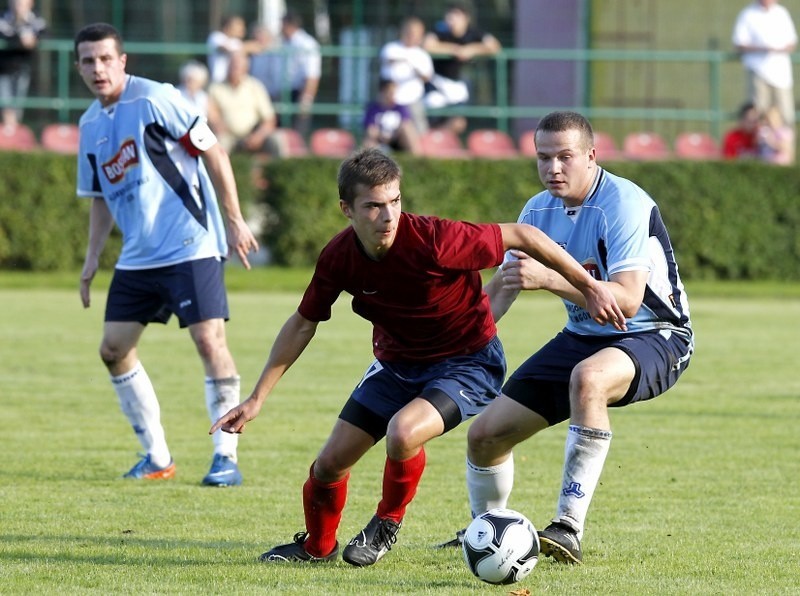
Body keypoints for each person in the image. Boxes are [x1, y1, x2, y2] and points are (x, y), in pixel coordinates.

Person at [209, 147, 625, 567]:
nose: (387, 216)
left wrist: (589, 287)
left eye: (394, 201)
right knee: (329, 465)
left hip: (468, 362)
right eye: (372, 206)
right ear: (346, 210)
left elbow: (524, 235)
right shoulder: (338, 257)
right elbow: (303, 323)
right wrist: (257, 398)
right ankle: (316, 548)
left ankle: (387, 522)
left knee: (403, 432)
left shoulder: (436, 240)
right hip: (395, 366)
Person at [438, 111, 694, 565]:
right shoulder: (536, 211)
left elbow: (628, 302)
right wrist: (454, 344)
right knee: (485, 435)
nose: (553, 168)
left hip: (655, 335)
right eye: (543, 158)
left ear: (591, 156)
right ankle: (487, 533)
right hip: (581, 336)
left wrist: (551, 279)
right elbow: (504, 286)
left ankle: (567, 527)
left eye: (565, 157)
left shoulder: (622, 204)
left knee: (589, 378)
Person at [74, 23, 259, 486]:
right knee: (114, 350)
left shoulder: (156, 98)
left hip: (189, 244)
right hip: (137, 256)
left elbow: (214, 152)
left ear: (122, 61)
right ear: (78, 67)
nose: (97, 68)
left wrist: (235, 219)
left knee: (209, 342)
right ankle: (157, 456)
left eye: (104, 59)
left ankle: (225, 458)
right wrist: (92, 256)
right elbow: (99, 196)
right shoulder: (89, 124)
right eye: (87, 61)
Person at [423, 1, 501, 134]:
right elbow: (427, 45)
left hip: (458, 86)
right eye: (449, 16)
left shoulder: (474, 33)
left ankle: (439, 139)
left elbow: (495, 47)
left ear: (466, 18)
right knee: (431, 116)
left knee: (459, 122)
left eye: (455, 16)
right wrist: (454, 50)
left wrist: (471, 50)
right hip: (437, 84)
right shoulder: (440, 30)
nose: (451, 20)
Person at [732, 0, 798, 127]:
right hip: (757, 70)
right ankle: (761, 145)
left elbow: (791, 42)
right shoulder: (748, 14)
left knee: (785, 114)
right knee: (759, 114)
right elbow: (739, 43)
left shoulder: (782, 13)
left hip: (781, 73)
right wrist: (763, 49)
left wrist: (778, 49)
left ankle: (785, 145)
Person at [207, 50, 277, 156]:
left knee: (276, 141)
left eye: (237, 66)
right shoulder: (216, 88)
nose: (234, 69)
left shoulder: (255, 87)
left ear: (246, 68)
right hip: (227, 135)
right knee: (219, 145)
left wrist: (258, 136)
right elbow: (212, 115)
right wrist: (220, 127)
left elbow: (269, 119)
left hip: (253, 133)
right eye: (232, 65)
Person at [379, 16, 434, 134]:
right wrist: (406, 61)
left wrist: (415, 69)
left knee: (419, 133)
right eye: (408, 31)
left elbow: (427, 77)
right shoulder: (391, 48)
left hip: (412, 101)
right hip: (390, 100)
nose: (411, 35)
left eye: (415, 33)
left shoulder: (422, 55)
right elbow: (389, 60)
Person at [0, 0, 46, 127]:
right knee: (5, 100)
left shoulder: (35, 19)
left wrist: (34, 39)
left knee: (19, 102)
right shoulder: (3, 18)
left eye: (21, 3)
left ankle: (14, 131)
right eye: (15, 2)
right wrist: (20, 39)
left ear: (30, 3)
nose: (17, 5)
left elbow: (44, 32)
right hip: (3, 68)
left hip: (24, 67)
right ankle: (9, 130)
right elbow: (5, 34)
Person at [280, 10, 321, 134]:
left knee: (297, 132)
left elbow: (312, 74)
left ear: (288, 25)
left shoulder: (307, 44)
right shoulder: (285, 42)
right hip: (286, 93)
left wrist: (306, 99)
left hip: (300, 92)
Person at [362, 78, 421, 155]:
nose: (392, 95)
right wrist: (382, 136)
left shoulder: (401, 108)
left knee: (408, 129)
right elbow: (371, 129)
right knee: (368, 142)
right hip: (379, 139)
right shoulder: (373, 109)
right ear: (382, 92)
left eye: (394, 92)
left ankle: (416, 159)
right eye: (390, 92)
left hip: (397, 139)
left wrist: (392, 137)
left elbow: (405, 124)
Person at [206, 14, 268, 84]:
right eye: (238, 25)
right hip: (219, 82)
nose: (242, 29)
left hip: (234, 82)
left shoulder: (236, 41)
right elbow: (225, 48)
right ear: (227, 27)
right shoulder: (216, 36)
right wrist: (246, 47)